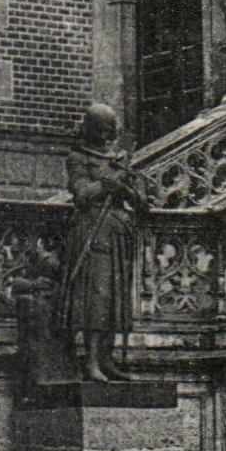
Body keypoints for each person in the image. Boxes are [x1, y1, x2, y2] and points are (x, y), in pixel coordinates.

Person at [62, 104, 151, 382]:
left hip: (118, 233)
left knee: (116, 296)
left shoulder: (121, 160)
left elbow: (143, 203)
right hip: (93, 229)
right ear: (89, 128)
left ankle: (107, 358)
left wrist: (125, 187)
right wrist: (108, 183)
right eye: (99, 129)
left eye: (108, 130)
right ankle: (91, 360)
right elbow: (82, 194)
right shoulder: (78, 158)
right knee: (96, 296)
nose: (105, 135)